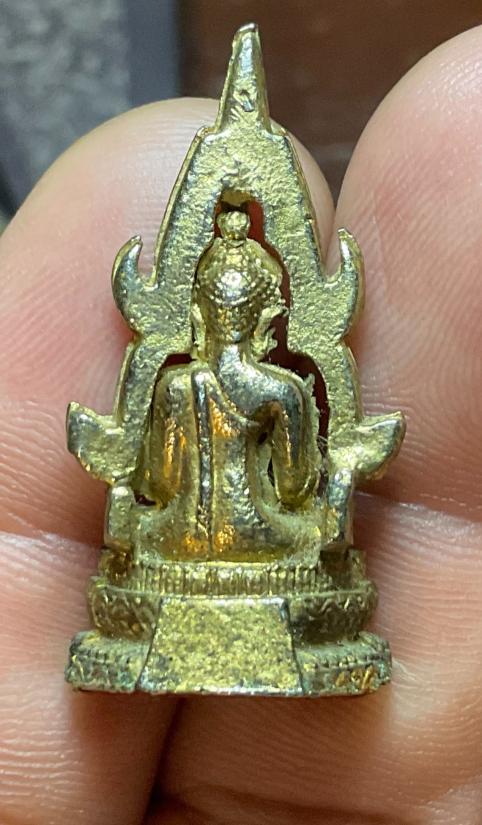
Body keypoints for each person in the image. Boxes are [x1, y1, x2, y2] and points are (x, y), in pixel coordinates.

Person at [0, 25, 481, 825]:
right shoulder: (282, 389)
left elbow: (155, 482)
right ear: (270, 319)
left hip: (172, 553)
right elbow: (296, 486)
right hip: (269, 551)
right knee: (315, 542)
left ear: (194, 313)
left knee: (141, 550)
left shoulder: (177, 383)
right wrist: (336, 480)